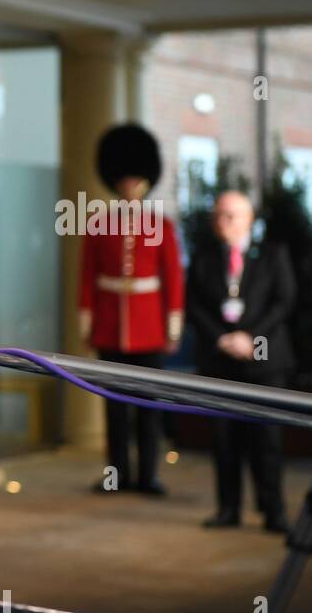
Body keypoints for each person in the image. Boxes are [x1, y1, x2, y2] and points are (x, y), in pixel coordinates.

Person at [79, 123, 184, 495]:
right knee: (114, 408)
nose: (129, 185)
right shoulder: (97, 224)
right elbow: (88, 277)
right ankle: (116, 475)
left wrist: (172, 329)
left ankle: (147, 476)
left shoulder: (162, 226)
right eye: (125, 178)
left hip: (149, 327)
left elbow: (172, 280)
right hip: (111, 326)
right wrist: (88, 322)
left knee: (147, 408)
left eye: (135, 178)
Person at [187, 191, 295, 533]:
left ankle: (273, 510)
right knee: (224, 438)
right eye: (219, 215)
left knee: (267, 440)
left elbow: (284, 301)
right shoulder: (204, 257)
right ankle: (228, 508)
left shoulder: (273, 254)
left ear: (249, 219)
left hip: (263, 359)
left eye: (232, 215)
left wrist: (249, 337)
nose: (224, 222)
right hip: (220, 361)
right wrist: (222, 338)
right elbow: (194, 305)